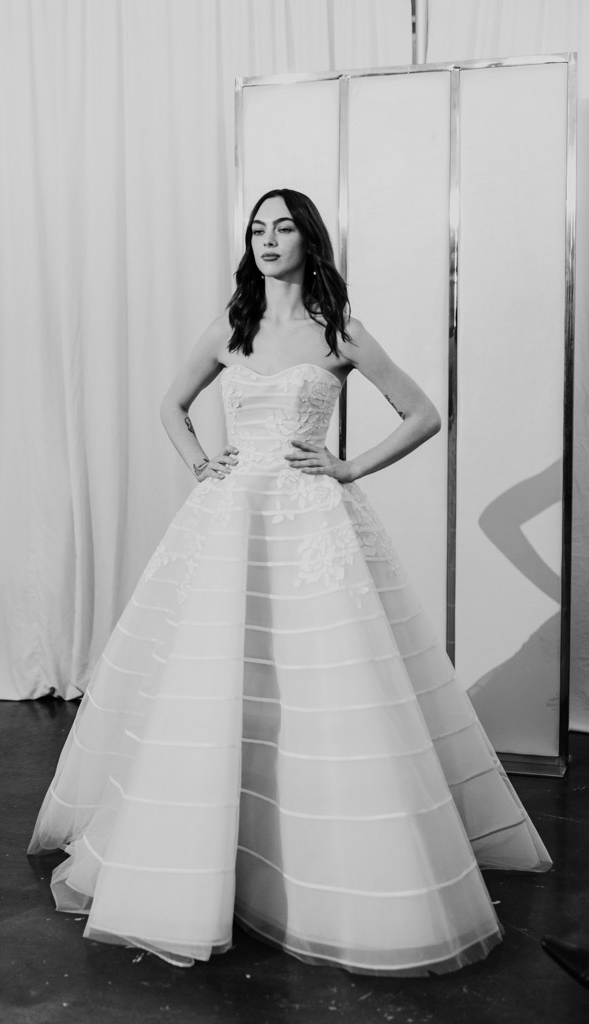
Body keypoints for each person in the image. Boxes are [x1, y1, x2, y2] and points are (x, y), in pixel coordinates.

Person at [28, 188, 551, 976]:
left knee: (321, 689)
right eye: (256, 229)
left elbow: (422, 413)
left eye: (282, 228)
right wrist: (202, 461)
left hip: (308, 521)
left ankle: (315, 864)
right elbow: (172, 405)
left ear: (309, 240)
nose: (268, 240)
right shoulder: (228, 327)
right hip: (229, 517)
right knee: (214, 678)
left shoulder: (338, 330)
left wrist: (347, 467)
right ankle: (201, 854)